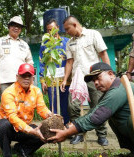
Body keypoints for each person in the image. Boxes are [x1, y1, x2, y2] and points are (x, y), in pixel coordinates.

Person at [49, 62, 134, 154]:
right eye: (94, 81)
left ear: (110, 74)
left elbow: (97, 117)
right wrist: (66, 128)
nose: (96, 83)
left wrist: (66, 133)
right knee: (115, 120)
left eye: (98, 78)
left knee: (128, 121)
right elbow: (93, 112)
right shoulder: (111, 91)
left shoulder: (118, 89)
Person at [60, 16, 110, 146]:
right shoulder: (69, 42)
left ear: (75, 25)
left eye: (67, 29)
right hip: (77, 79)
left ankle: (102, 135)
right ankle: (78, 134)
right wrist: (65, 79)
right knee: (73, 106)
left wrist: (109, 74)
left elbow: (103, 54)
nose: (66, 32)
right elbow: (69, 62)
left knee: (98, 106)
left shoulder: (93, 34)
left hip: (95, 77)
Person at [0, 63, 52, 157]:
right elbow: (12, 117)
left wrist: (51, 116)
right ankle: (7, 154)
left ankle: (23, 149)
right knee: (4, 125)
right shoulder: (8, 92)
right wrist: (32, 131)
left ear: (33, 78)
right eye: (23, 75)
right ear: (17, 77)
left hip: (24, 128)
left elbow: (42, 109)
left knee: (45, 131)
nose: (26, 78)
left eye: (29, 76)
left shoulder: (37, 91)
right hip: (8, 128)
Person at [0, 16, 33, 98]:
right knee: (7, 109)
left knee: (23, 108)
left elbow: (30, 63)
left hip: (22, 82)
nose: (16, 28)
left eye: (19, 26)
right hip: (4, 83)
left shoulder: (25, 44)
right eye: (14, 25)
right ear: (9, 27)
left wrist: (30, 81)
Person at [39, 19, 70, 124]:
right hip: (51, 80)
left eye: (52, 29)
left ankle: (66, 127)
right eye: (48, 30)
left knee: (66, 105)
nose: (50, 32)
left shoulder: (66, 42)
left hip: (66, 80)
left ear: (57, 28)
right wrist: (42, 81)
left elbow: (70, 61)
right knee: (53, 106)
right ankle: (56, 127)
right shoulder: (44, 44)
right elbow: (42, 63)